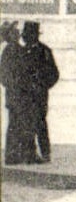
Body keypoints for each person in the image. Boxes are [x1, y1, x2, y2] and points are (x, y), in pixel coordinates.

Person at [20, 21, 59, 163]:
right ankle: (30, 154)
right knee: (26, 124)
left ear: (35, 35)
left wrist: (42, 85)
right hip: (24, 95)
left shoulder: (44, 51)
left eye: (29, 35)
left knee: (40, 123)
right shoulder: (22, 52)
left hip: (39, 95)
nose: (26, 38)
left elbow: (54, 74)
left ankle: (45, 153)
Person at [0, 21, 31, 165]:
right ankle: (13, 156)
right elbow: (4, 76)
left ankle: (18, 155)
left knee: (20, 124)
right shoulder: (10, 51)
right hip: (16, 95)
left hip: (19, 95)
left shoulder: (18, 49)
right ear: (11, 35)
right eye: (15, 31)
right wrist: (16, 86)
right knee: (15, 125)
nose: (18, 33)